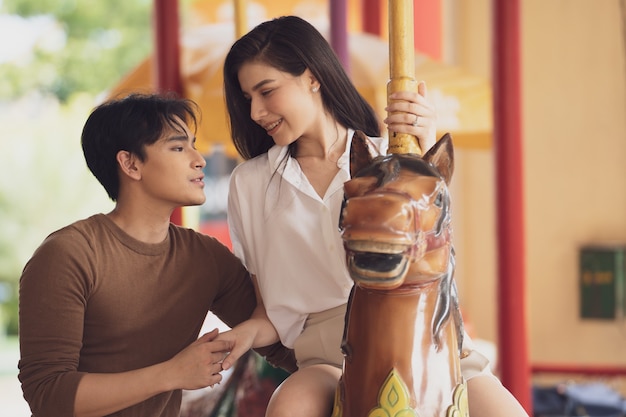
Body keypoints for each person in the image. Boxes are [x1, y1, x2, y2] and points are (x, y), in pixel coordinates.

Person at [216, 15, 530, 417]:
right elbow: (271, 311)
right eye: (248, 99)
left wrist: (424, 149)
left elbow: (434, 250)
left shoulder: (394, 157)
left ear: (312, 77)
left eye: (267, 91)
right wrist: (238, 336)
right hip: (331, 356)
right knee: (290, 406)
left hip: (425, 340)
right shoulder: (251, 183)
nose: (257, 111)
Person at [17, 93, 295, 417]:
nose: (199, 159)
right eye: (179, 148)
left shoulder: (206, 258)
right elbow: (48, 395)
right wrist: (171, 373)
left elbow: (281, 342)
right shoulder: (68, 255)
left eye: (193, 144)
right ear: (131, 164)